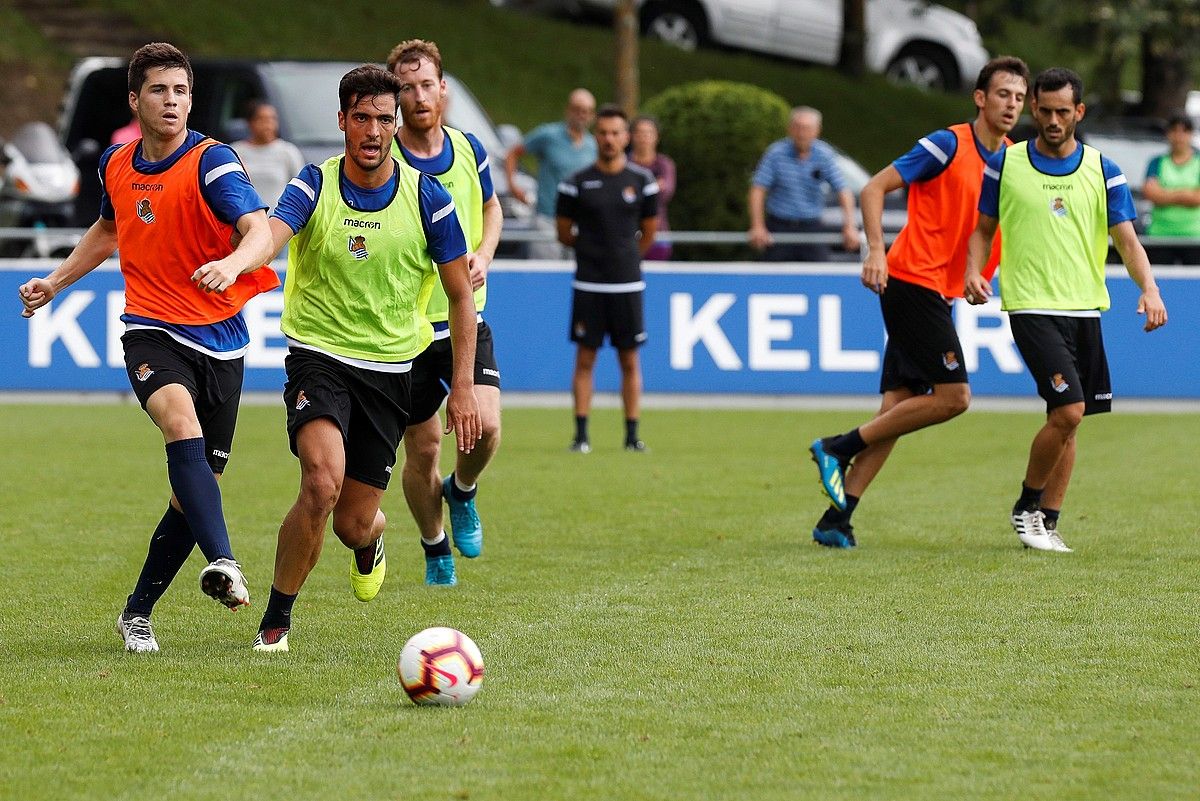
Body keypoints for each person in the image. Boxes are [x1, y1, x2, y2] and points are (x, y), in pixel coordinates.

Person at [17, 42, 280, 652]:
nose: (173, 102)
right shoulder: (117, 163)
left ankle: (137, 611)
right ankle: (226, 562)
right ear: (135, 100)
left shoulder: (212, 164)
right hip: (151, 329)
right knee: (179, 426)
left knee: (195, 486)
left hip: (221, 337)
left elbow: (259, 230)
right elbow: (109, 230)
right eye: (160, 91)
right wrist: (55, 283)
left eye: (182, 91)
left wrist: (233, 264)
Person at [253, 65, 480, 653]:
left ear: (396, 123)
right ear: (342, 122)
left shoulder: (427, 198)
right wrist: (236, 265)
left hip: (389, 373)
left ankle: (370, 541)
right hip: (318, 357)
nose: (374, 131)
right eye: (362, 118)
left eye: (385, 119)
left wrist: (464, 385)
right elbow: (271, 234)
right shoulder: (313, 184)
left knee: (354, 519)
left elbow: (460, 296)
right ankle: (276, 621)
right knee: (320, 482)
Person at [807, 56, 1030, 549]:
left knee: (896, 409)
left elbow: (991, 230)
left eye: (1018, 97)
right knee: (954, 397)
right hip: (910, 281)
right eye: (1002, 95)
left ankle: (835, 520)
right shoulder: (947, 143)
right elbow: (873, 187)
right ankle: (835, 447)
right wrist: (875, 252)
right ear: (980, 98)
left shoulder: (1015, 160)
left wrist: (978, 275)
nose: (1011, 104)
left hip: (941, 291)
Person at [964, 67, 1168, 553]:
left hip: (1084, 308)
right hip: (1031, 304)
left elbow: (1127, 241)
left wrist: (1151, 288)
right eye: (1045, 110)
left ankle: (1047, 522)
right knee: (1069, 409)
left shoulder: (1104, 170)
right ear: (1034, 108)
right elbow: (982, 229)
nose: (1053, 120)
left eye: (1063, 111)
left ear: (1078, 112)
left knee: (1069, 418)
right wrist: (975, 270)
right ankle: (1026, 506)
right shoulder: (1006, 164)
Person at [386, 39, 503, 570]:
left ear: (443, 90)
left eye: (426, 85)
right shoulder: (386, 162)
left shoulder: (469, 149)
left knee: (488, 428)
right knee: (424, 449)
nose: (418, 96)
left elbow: (492, 206)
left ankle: (463, 489)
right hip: (408, 326)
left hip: (464, 314)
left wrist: (482, 252)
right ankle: (435, 546)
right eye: (406, 88)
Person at [556, 104, 658, 453]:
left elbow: (649, 231)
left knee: (629, 360)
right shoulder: (576, 183)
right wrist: (593, 253)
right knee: (585, 359)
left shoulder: (642, 182)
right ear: (595, 136)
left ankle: (632, 436)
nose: (609, 139)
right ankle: (581, 435)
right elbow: (564, 233)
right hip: (589, 283)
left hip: (627, 284)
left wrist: (625, 258)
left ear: (626, 137)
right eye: (603, 133)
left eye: (616, 133)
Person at [748, 106, 860, 262]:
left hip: (811, 226)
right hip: (779, 226)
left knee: (819, 276)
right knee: (773, 277)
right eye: (798, 128)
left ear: (817, 131)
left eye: (807, 128)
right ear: (790, 129)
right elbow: (758, 189)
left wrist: (850, 226)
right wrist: (757, 226)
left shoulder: (824, 154)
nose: (802, 133)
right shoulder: (776, 153)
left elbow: (843, 190)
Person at [505, 88, 597, 258]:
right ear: (568, 110)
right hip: (548, 220)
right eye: (577, 109)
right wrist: (513, 185)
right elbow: (513, 153)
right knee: (545, 276)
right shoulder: (548, 135)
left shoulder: (593, 145)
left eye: (586, 111)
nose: (581, 115)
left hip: (580, 223)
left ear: (592, 115)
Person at [1142, 113, 1200, 265]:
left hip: (1194, 237)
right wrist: (1186, 193)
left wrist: (1165, 194)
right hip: (1160, 236)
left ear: (1191, 134)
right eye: (1174, 130)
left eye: (1184, 131)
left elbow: (1197, 198)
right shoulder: (1157, 162)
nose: (1179, 136)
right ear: (1168, 133)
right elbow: (1150, 192)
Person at [231, 100, 305, 211]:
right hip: (245, 221)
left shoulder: (288, 152)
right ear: (250, 122)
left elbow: (301, 190)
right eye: (262, 120)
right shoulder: (235, 151)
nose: (268, 125)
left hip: (278, 220)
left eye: (272, 119)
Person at [629, 115, 676, 261]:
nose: (644, 137)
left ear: (657, 136)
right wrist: (654, 186)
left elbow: (665, 193)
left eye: (649, 133)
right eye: (640, 133)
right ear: (631, 136)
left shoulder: (665, 164)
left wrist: (634, 191)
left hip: (658, 235)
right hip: (627, 234)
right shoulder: (623, 164)